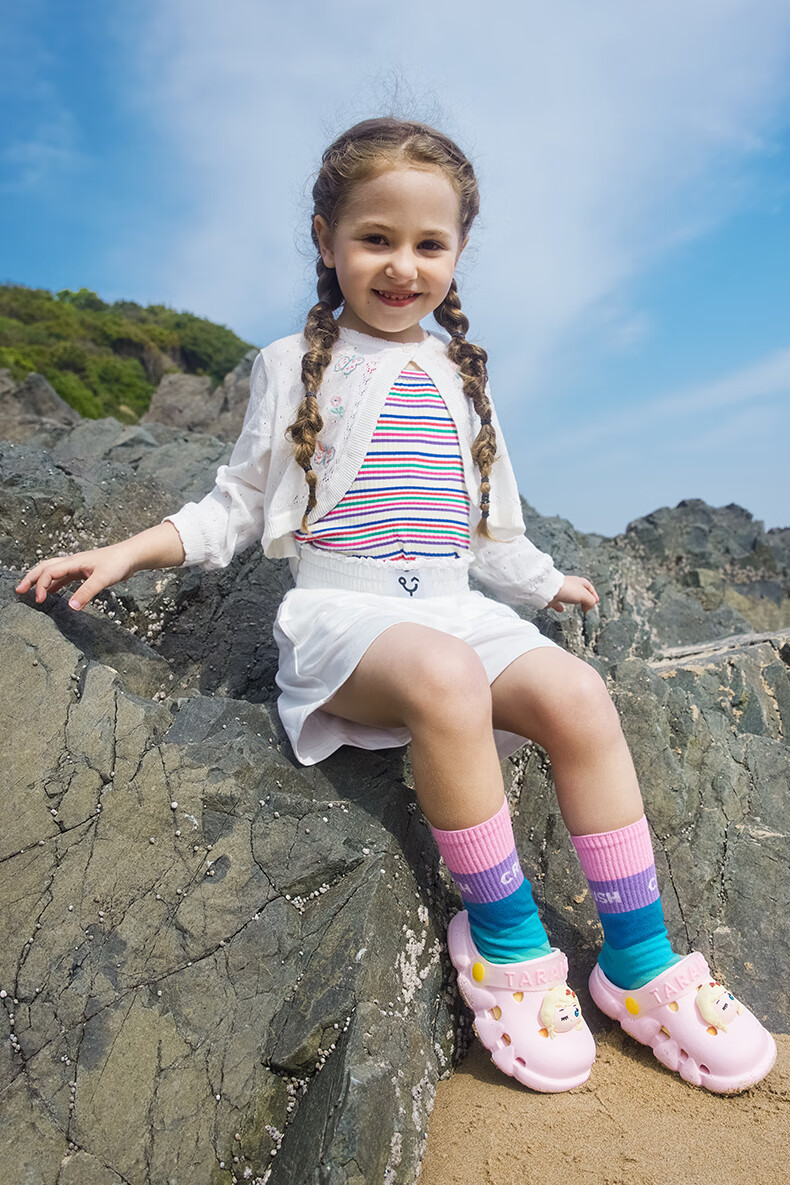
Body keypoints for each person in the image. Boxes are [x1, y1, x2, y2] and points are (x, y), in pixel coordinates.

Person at [16, 117, 776, 1095]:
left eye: (429, 244)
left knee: (579, 695)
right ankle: (506, 941)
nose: (401, 266)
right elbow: (234, 504)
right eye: (375, 238)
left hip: (458, 604)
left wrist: (543, 582)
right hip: (347, 617)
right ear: (326, 237)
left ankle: (639, 959)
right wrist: (128, 550)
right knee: (447, 679)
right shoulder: (292, 361)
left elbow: (489, 524)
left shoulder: (465, 373)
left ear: (458, 253)